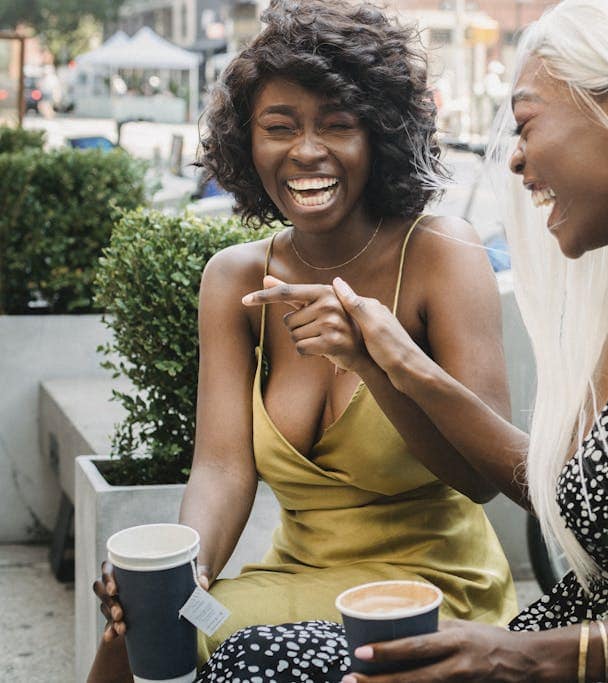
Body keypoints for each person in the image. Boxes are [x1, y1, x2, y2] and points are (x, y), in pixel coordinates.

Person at [199, 0, 608, 680]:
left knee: (259, 663)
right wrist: (395, 363)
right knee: (253, 655)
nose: (517, 162)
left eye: (526, 124)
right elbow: (560, 490)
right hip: (560, 647)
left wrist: (525, 652)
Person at [88, 1, 518, 680]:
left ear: (379, 135)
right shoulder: (235, 280)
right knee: (135, 633)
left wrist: (377, 365)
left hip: (425, 589)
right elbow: (223, 469)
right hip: (295, 573)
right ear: (247, 143)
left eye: (338, 125)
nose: (307, 151)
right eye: (279, 128)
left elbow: (481, 476)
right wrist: (186, 570)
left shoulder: (442, 254)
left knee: (244, 662)